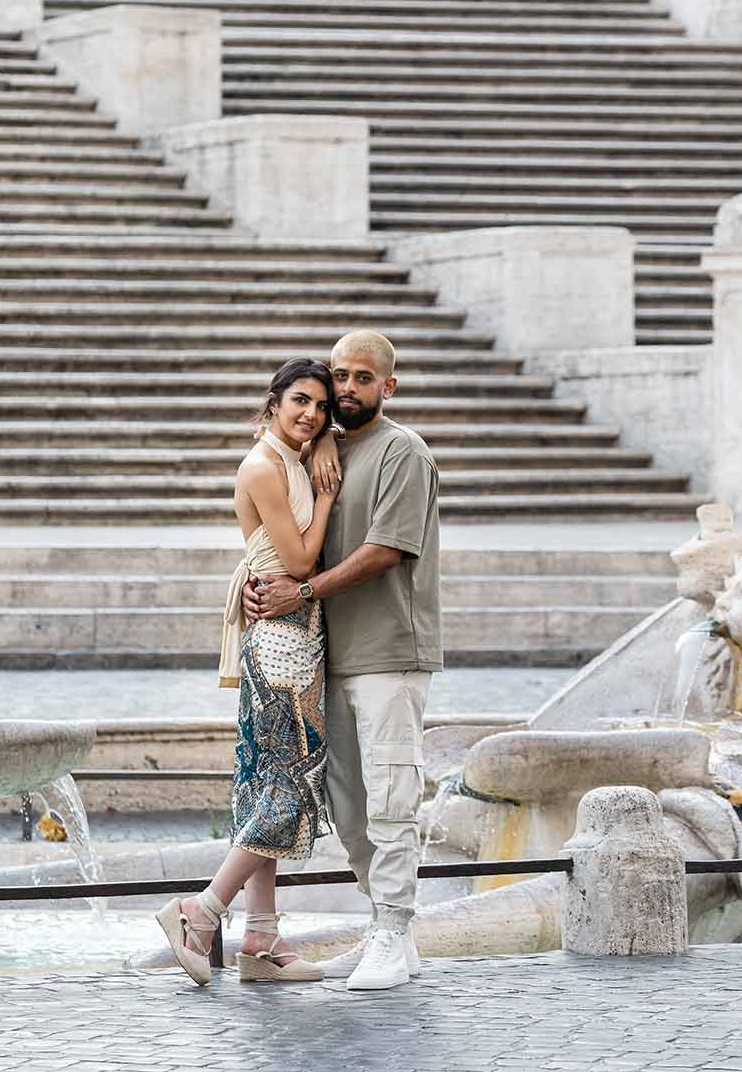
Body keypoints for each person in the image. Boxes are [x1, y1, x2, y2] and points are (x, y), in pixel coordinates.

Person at [245, 328, 441, 992]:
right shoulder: (318, 451)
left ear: (389, 385)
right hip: (331, 655)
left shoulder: (403, 453)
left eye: (363, 378)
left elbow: (386, 550)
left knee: (392, 798)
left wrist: (301, 591)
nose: (348, 388)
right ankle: (388, 928)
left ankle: (394, 930)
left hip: (390, 651)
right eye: (340, 377)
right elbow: (287, 537)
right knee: (348, 807)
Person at [155, 357, 339, 987]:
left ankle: (260, 941)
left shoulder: (296, 456)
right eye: (299, 402)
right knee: (288, 787)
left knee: (264, 785)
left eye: (321, 405)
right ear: (273, 403)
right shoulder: (265, 466)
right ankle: (200, 912)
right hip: (282, 641)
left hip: (293, 634)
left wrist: (324, 451)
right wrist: (330, 493)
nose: (311, 414)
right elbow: (301, 557)